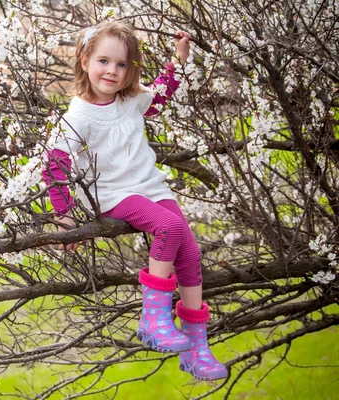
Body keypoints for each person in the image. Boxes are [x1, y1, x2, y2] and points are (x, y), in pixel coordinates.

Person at [41, 21, 228, 381]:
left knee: (189, 252)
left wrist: (179, 61)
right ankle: (154, 317)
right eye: (103, 61)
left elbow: (157, 98)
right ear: (84, 60)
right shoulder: (78, 115)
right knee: (170, 226)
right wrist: (64, 217)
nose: (112, 70)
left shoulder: (129, 101)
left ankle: (196, 347)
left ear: (130, 70)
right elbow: (56, 164)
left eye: (122, 65)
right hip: (112, 194)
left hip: (149, 187)